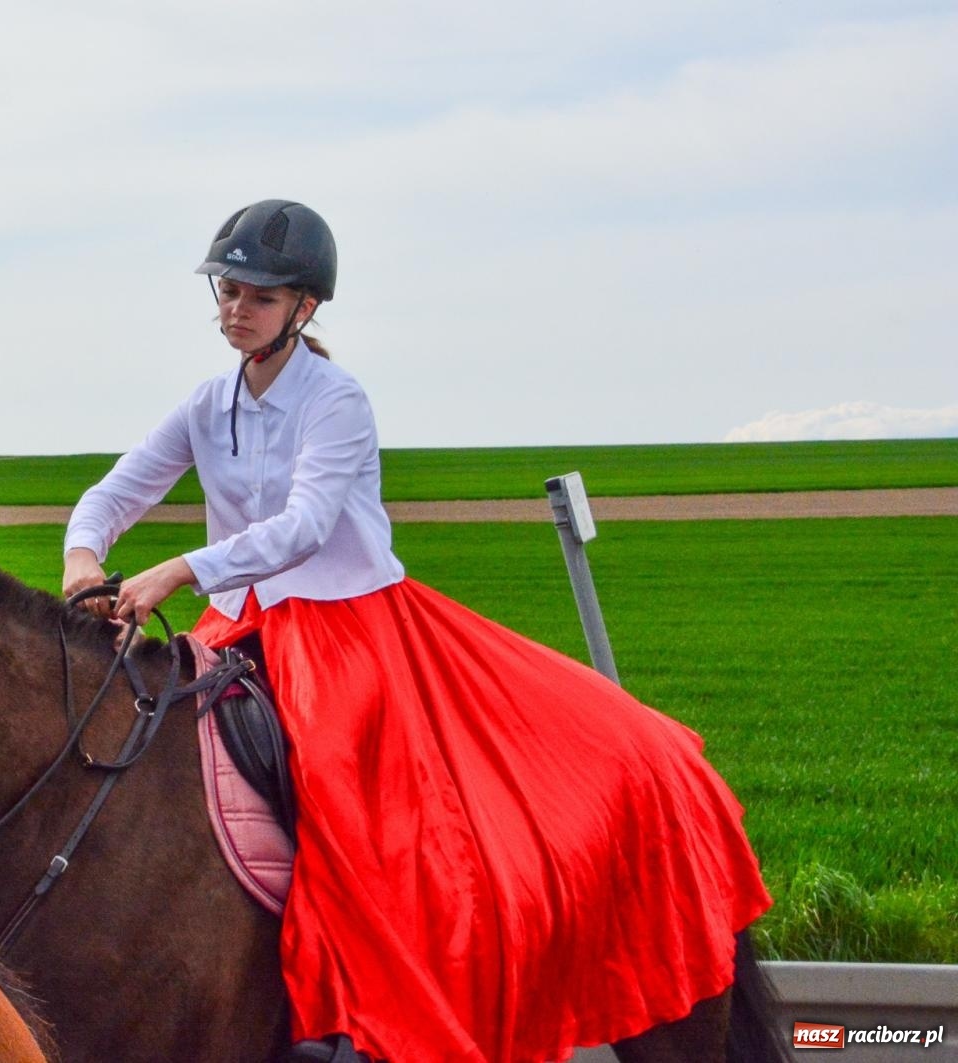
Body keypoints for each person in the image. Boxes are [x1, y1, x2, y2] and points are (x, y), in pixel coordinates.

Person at [63, 200, 772, 1063]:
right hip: (240, 623)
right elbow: (116, 491)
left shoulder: (337, 400)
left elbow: (307, 524)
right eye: (228, 289)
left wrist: (182, 568)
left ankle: (367, 1017)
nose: (234, 307)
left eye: (256, 294)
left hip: (350, 631)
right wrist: (82, 558)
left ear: (305, 307)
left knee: (353, 796)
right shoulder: (208, 404)